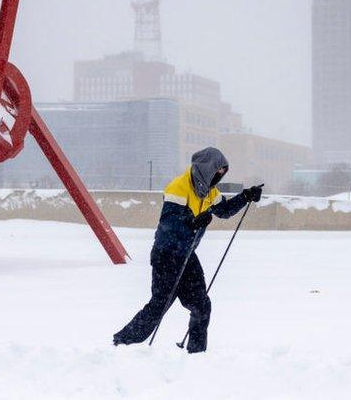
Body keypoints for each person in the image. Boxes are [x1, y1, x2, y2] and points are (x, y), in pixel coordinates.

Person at [113, 147, 263, 353]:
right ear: (206, 168)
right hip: (166, 255)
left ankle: (196, 354)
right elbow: (169, 223)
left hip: (186, 255)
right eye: (217, 172)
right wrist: (192, 222)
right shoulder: (179, 187)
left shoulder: (210, 192)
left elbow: (225, 211)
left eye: (222, 173)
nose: (219, 177)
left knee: (202, 305)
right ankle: (122, 342)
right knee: (159, 306)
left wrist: (245, 196)